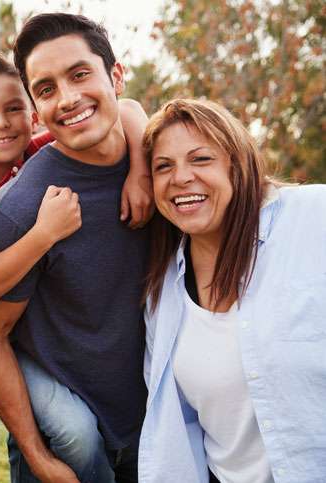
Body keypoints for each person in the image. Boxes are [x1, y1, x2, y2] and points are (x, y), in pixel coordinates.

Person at [0, 13, 153, 483]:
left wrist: (143, 167)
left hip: (160, 432)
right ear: (35, 108)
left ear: (115, 76)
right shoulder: (20, 213)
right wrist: (37, 455)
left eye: (79, 75)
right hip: (68, 451)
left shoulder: (164, 168)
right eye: (47, 88)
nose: (69, 98)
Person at [138, 98, 326, 483]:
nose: (181, 177)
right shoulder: (162, 298)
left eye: (201, 159)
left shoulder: (313, 218)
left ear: (237, 167)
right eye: (164, 167)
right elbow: (180, 432)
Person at [0, 51, 151, 312]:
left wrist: (140, 172)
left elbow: (126, 107)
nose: (1, 123)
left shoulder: (36, 154)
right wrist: (45, 233)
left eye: (13, 109)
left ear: (34, 118)